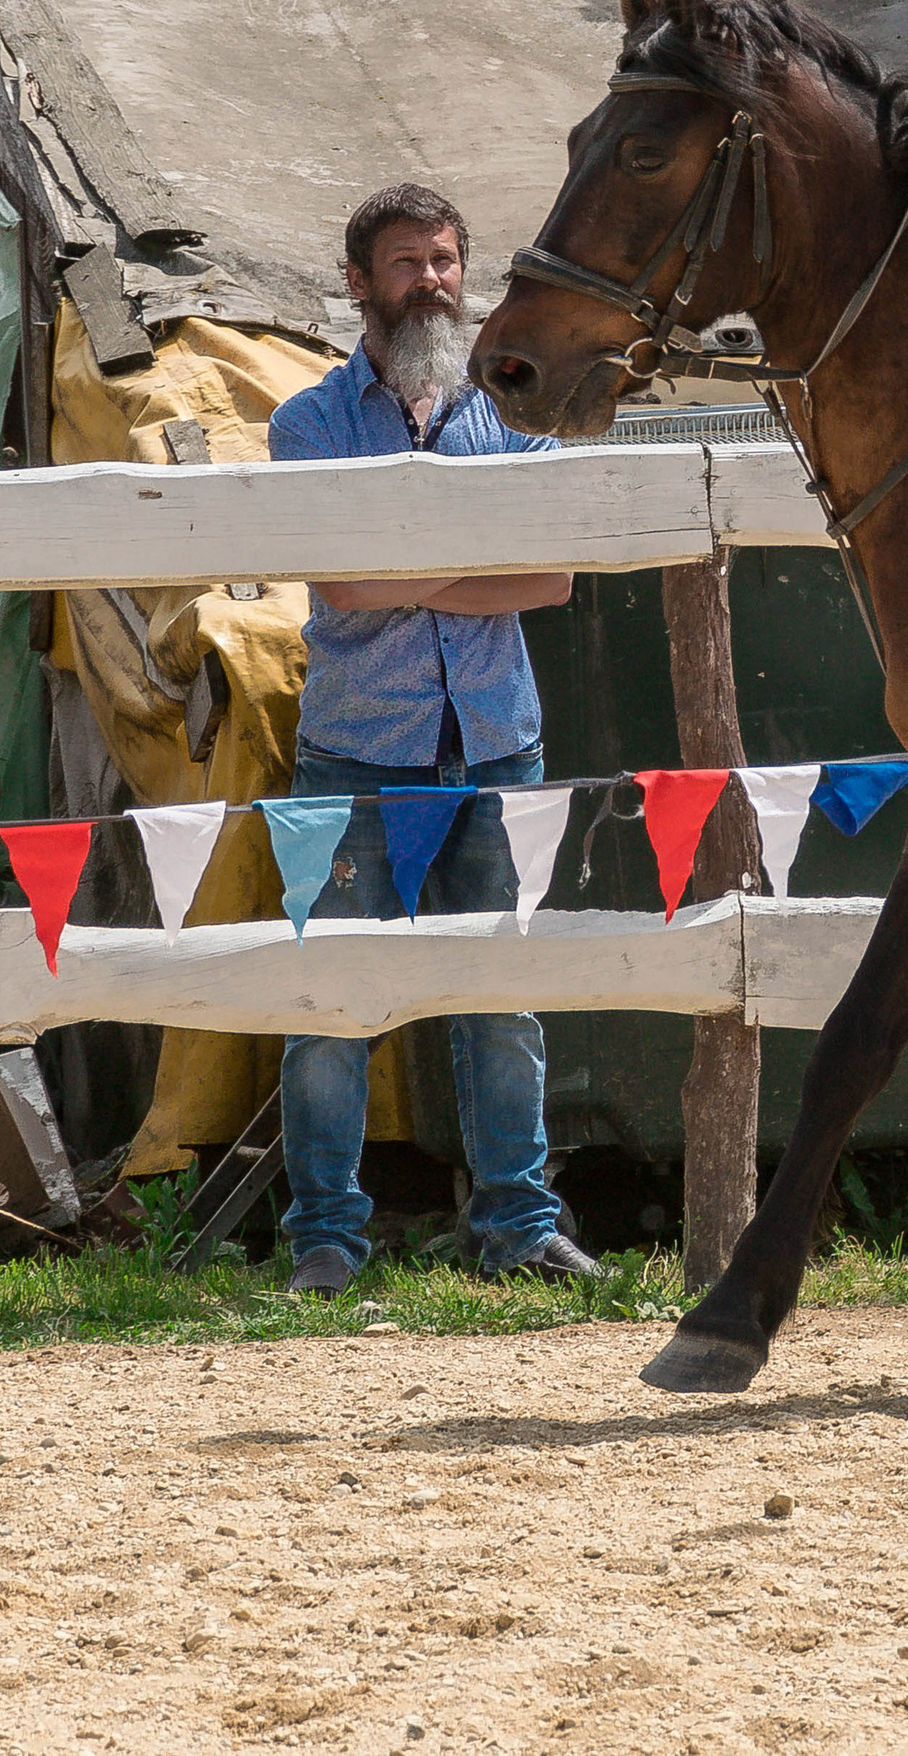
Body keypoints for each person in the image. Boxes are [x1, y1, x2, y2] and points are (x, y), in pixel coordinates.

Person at [266, 183, 595, 1294]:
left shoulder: (509, 412)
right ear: (358, 281)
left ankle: (520, 1229)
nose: (432, 282)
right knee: (330, 1001)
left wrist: (405, 576)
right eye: (407, 262)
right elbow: (344, 589)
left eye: (446, 259)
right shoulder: (311, 423)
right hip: (356, 750)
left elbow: (552, 578)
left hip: (498, 743)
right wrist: (467, 571)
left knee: (502, 998)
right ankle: (325, 1239)